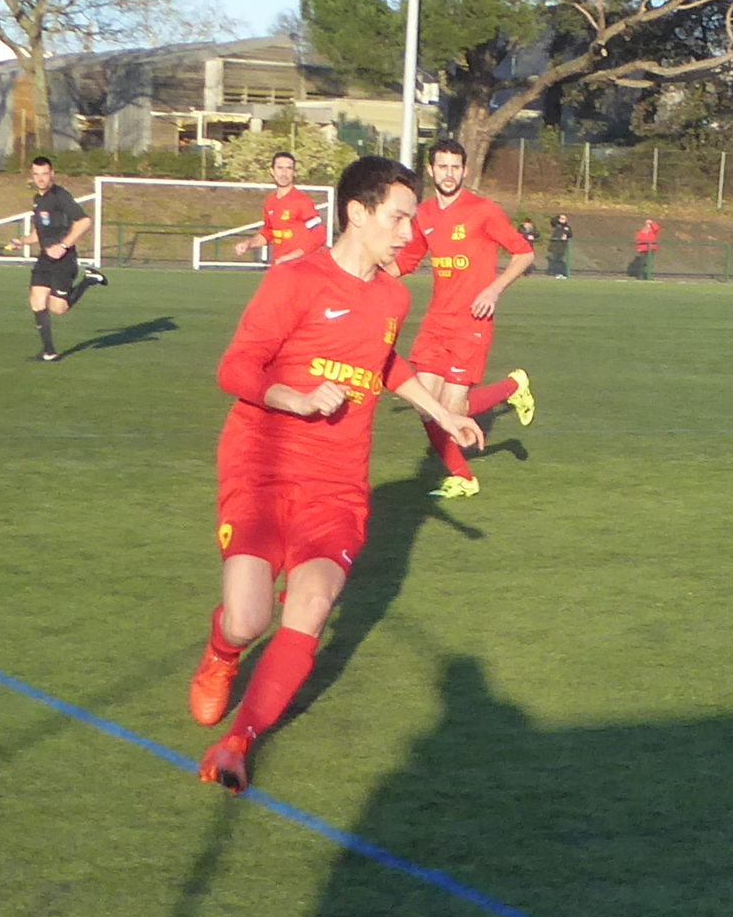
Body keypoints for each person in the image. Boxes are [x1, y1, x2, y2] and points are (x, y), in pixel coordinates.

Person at [188, 157, 487, 794]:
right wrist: (293, 399)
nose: (409, 234)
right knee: (247, 619)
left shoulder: (394, 295)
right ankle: (222, 653)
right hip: (263, 466)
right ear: (357, 212)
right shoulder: (295, 281)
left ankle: (239, 741)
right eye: (399, 218)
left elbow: (382, 360)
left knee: (314, 603)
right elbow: (235, 368)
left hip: (338, 481)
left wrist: (442, 414)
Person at [392, 139, 537, 500]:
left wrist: (494, 290)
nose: (449, 173)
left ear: (465, 170)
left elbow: (524, 253)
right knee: (425, 404)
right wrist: (366, 275)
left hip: (471, 321)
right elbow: (407, 261)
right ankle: (464, 478)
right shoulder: (424, 214)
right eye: (442, 166)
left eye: (455, 167)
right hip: (436, 322)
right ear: (431, 170)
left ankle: (513, 387)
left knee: (452, 408)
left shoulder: (483, 211)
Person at [9, 156, 106, 362]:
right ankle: (49, 352)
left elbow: (84, 221)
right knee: (37, 300)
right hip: (45, 258)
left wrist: (63, 246)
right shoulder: (38, 200)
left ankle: (89, 280)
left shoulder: (60, 196)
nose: (40, 178)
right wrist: (22, 241)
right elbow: (40, 233)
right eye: (36, 174)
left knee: (59, 309)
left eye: (44, 174)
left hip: (64, 259)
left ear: (52, 174)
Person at [233, 150, 325, 265]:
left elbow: (320, 235)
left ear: (294, 172)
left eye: (289, 168)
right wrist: (248, 244)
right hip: (280, 264)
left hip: (300, 265)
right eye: (280, 168)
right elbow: (268, 233)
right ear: (272, 171)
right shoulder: (270, 202)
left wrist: (294, 255)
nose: (284, 173)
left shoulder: (302, 201)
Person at [548, 213, 573, 279]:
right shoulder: (556, 226)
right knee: (555, 259)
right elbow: (553, 223)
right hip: (555, 245)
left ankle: (560, 273)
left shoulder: (567, 227)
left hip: (562, 245)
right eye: (562, 218)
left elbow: (570, 234)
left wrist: (566, 235)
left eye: (564, 219)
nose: (563, 220)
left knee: (560, 259)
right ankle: (554, 273)